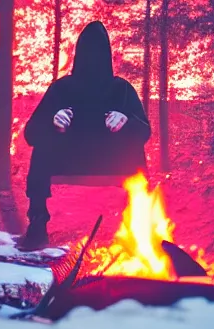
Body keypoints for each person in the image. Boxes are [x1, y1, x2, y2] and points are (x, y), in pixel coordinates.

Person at [17, 21, 151, 250]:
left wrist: (126, 123)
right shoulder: (62, 89)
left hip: (111, 161)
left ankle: (139, 228)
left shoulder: (121, 89)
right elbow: (31, 133)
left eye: (98, 52)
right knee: (41, 148)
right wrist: (53, 123)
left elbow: (144, 131)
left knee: (136, 147)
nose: (93, 59)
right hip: (69, 159)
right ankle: (38, 223)